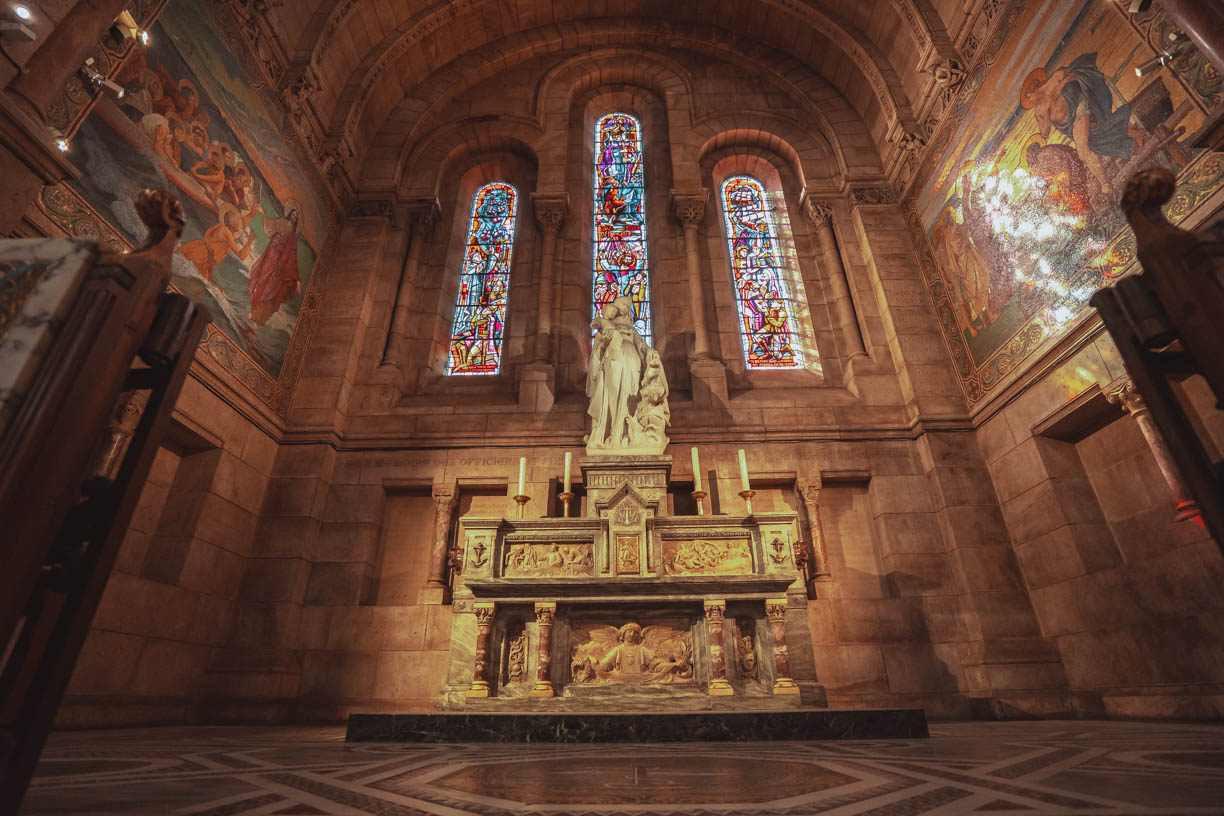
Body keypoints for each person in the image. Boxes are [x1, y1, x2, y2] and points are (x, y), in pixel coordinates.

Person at [586, 296, 647, 452]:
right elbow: (598, 349)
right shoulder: (606, 325)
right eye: (623, 305)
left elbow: (643, 347)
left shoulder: (632, 331)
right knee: (614, 396)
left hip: (632, 362)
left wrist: (651, 354)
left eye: (628, 306)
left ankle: (627, 432)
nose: (626, 308)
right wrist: (605, 335)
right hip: (614, 362)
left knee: (630, 395)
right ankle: (614, 433)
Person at [248, 206, 301, 326]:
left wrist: (297, 278)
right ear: (289, 215)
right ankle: (254, 308)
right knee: (261, 280)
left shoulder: (293, 238)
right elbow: (270, 225)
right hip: (271, 255)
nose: (293, 217)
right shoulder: (282, 221)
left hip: (279, 265)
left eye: (295, 217)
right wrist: (263, 213)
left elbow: (292, 256)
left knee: (272, 290)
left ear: (296, 221)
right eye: (292, 215)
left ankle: (260, 317)